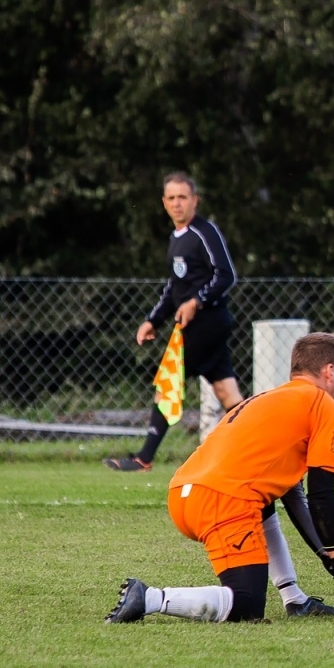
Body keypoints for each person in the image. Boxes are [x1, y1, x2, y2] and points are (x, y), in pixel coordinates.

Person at [104, 333, 334, 623]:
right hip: (222, 500)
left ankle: (294, 598)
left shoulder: (265, 400)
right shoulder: (324, 406)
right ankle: (150, 597)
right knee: (245, 605)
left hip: (183, 492)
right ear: (329, 371)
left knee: (263, 500)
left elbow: (293, 496)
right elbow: (321, 497)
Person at [104, 172, 243, 471]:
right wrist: (152, 320)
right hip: (197, 323)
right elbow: (175, 287)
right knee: (227, 393)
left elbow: (226, 275)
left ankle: (144, 457)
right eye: (171, 198)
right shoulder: (176, 238)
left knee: (168, 383)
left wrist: (197, 302)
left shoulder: (204, 232)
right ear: (164, 203)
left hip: (207, 321)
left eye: (183, 197)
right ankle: (261, 446)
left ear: (195, 200)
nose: (177, 203)